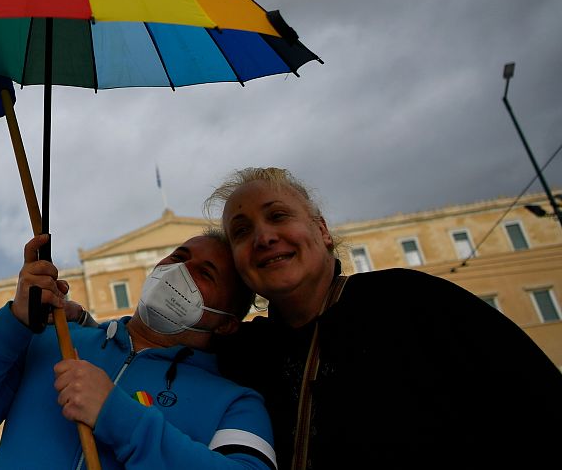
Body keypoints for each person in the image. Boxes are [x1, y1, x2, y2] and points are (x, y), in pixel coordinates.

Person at [209, 167, 562, 469]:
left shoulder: (414, 302)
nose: (264, 237)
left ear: (323, 231)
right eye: (241, 231)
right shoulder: (242, 354)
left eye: (278, 216)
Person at [0, 232, 278, 469]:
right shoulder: (54, 340)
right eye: (178, 256)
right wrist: (12, 322)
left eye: (205, 273)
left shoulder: (237, 404)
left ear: (228, 322)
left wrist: (118, 417)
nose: (178, 271)